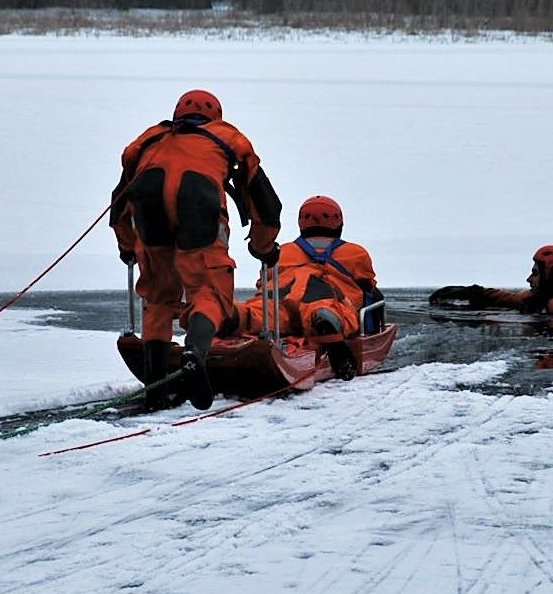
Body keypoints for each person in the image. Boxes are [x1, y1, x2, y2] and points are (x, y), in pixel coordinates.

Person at [112, 89, 282, 409]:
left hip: (149, 217)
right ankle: (195, 352)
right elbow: (264, 202)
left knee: (159, 297)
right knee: (210, 293)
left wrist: (127, 246)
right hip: (199, 211)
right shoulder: (228, 137)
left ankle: (156, 390)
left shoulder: (149, 140)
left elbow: (119, 202)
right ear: (214, 115)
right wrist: (264, 246)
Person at [237, 195, 382, 379]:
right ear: (338, 222)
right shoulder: (355, 253)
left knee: (264, 311)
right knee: (334, 308)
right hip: (323, 296)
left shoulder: (282, 251)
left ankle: (235, 316)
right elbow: (367, 284)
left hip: (282, 296)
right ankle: (325, 322)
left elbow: (263, 281)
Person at [428, 244, 553, 319]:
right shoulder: (539, 299)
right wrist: (471, 292)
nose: (528, 279)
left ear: (552, 274)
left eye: (535, 273)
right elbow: (505, 298)